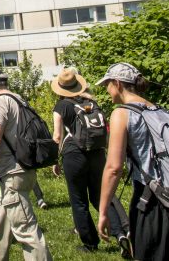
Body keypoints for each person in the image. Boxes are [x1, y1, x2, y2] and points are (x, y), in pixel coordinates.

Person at [97, 63, 169, 260]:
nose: (107, 90)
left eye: (107, 84)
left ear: (117, 83)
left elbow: (114, 168)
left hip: (151, 200)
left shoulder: (121, 113)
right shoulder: (160, 110)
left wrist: (103, 211)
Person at [0, 69, 52, 261]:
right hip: (24, 168)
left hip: (12, 172)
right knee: (2, 218)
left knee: (25, 228)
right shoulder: (19, 99)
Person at [50, 67, 131, 256]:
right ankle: (122, 233)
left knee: (78, 200)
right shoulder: (91, 102)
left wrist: (55, 160)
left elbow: (57, 136)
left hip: (74, 155)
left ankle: (90, 243)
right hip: (97, 154)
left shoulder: (61, 106)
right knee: (101, 195)